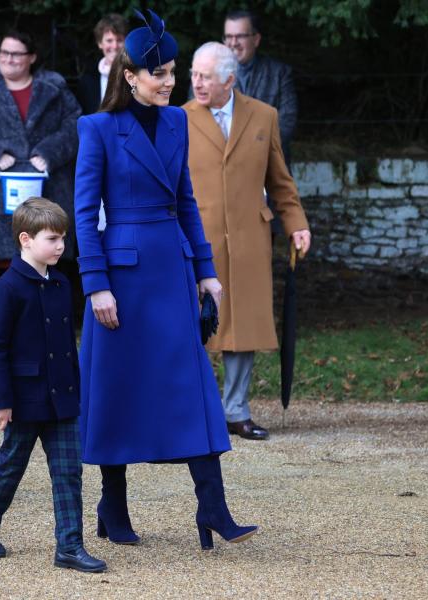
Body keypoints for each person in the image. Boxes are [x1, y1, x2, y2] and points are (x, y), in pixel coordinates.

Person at [75, 10, 257, 550]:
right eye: (161, 74)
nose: (171, 82)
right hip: (122, 280)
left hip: (172, 272)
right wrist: (95, 284)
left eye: (175, 72)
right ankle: (112, 506)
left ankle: (214, 508)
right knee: (117, 389)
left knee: (193, 387)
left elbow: (185, 201)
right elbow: (85, 215)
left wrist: (206, 272)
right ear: (131, 75)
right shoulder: (97, 128)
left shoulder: (178, 121)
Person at [0, 198, 107, 573]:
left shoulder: (61, 283)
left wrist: (76, 389)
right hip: (24, 398)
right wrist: (1, 402)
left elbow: (65, 346)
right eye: (53, 238)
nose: (61, 246)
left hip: (62, 398)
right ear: (26, 239)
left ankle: (70, 546)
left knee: (68, 471)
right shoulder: (6, 289)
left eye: (63, 238)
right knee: (10, 465)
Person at [183, 42, 312, 441]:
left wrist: (297, 224)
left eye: (205, 76)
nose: (196, 83)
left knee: (243, 325)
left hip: (249, 238)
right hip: (197, 239)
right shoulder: (177, 119)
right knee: (193, 324)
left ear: (230, 79)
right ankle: (194, 412)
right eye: (193, 74)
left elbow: (280, 180)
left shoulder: (263, 115)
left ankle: (236, 411)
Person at [0, 30, 81, 266]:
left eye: (15, 54)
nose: (8, 59)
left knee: (49, 264)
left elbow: (75, 125)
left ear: (31, 57)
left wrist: (49, 152)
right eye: (4, 52)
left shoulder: (55, 89)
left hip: (49, 192)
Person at [223, 9, 298, 166]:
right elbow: (201, 123)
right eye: (229, 36)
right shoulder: (208, 76)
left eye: (240, 36)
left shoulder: (280, 73)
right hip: (225, 173)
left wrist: (248, 149)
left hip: (270, 173)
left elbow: (286, 125)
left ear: (256, 39)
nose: (233, 42)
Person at [76, 13, 127, 116]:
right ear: (100, 43)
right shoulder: (87, 80)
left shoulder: (138, 75)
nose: (115, 46)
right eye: (109, 40)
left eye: (119, 40)